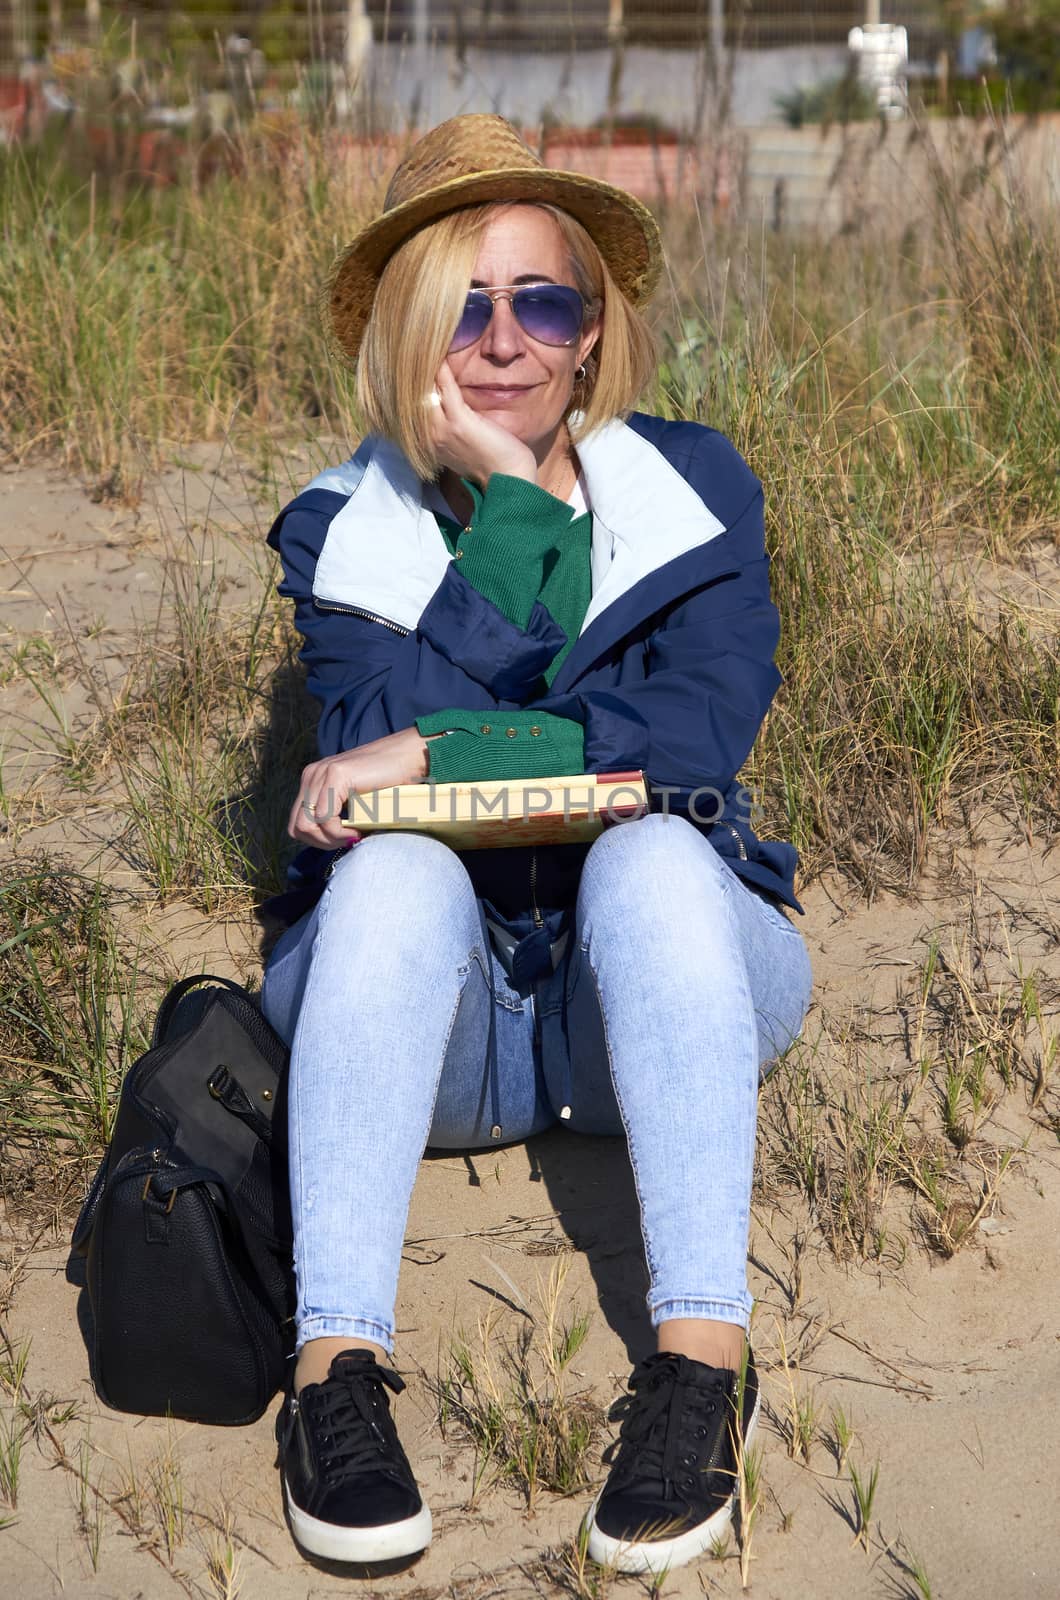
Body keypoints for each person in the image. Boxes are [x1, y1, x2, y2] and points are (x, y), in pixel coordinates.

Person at [260, 112, 812, 1577]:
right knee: (389, 869)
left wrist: (434, 748)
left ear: (590, 330)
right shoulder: (342, 530)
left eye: (542, 300)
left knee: (648, 849)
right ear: (408, 331)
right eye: (465, 303)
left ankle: (701, 1366)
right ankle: (331, 1378)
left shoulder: (696, 489)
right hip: (434, 1036)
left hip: (655, 1006)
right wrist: (509, 512)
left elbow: (693, 738)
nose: (505, 340)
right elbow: (363, 782)